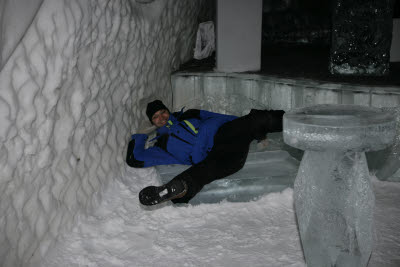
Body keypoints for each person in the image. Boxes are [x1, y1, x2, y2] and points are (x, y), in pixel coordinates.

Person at [126, 100, 285, 206]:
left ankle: (293, 120)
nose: (161, 118)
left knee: (257, 118)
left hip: (225, 134)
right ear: (152, 123)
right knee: (204, 170)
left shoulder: (189, 115)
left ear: (168, 111)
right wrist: (141, 135)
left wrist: (256, 133)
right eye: (155, 117)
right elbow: (135, 158)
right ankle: (178, 188)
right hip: (219, 158)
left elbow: (224, 119)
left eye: (163, 112)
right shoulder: (161, 146)